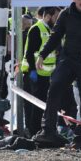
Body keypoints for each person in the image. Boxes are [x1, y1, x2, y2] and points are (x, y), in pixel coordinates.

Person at [34, 0, 81, 157]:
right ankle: (48, 130)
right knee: (55, 85)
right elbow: (55, 36)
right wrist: (42, 55)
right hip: (69, 59)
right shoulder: (66, 14)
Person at [21, 7, 61, 136]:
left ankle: (43, 132)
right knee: (34, 107)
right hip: (34, 75)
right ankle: (34, 132)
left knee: (44, 105)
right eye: (56, 17)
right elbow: (29, 53)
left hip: (47, 75)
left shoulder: (52, 29)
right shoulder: (36, 29)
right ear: (48, 16)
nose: (57, 20)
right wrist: (32, 70)